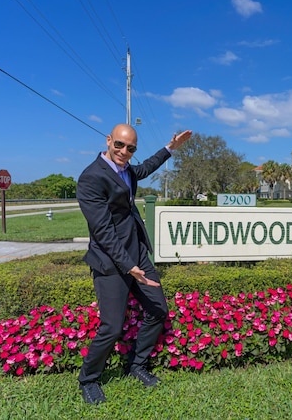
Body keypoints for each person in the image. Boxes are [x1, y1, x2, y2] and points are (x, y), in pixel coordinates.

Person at [76, 124, 192, 404]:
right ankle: (88, 379)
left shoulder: (126, 169)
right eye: (119, 145)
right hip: (110, 261)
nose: (124, 152)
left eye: (130, 148)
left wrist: (169, 149)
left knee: (158, 310)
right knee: (112, 327)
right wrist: (129, 266)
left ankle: (136, 365)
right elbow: (102, 232)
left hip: (137, 253)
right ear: (108, 141)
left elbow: (145, 168)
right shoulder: (91, 178)